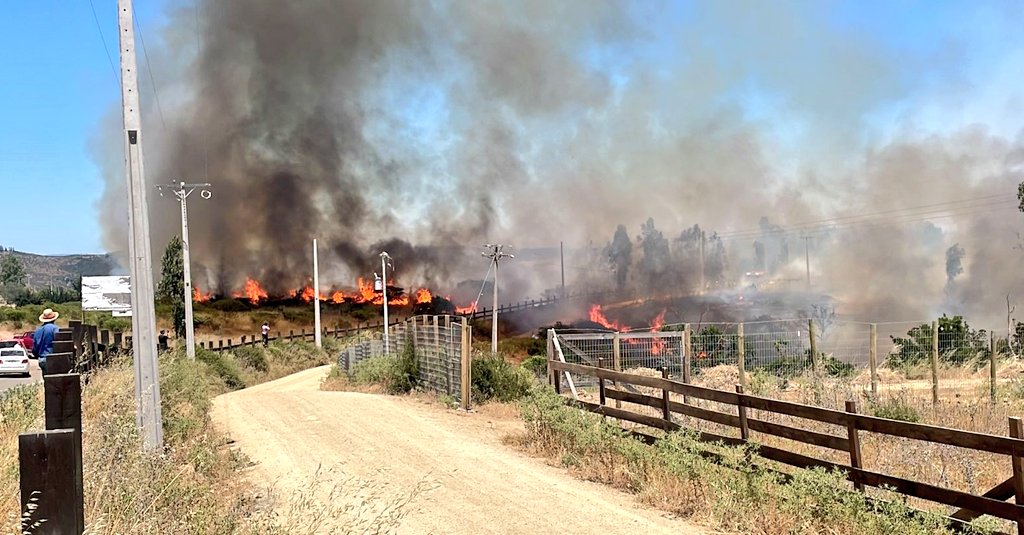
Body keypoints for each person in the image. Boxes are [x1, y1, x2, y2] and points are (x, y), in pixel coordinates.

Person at [32, 308, 60, 374]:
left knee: (46, 378)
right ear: (54, 319)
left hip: (41, 359)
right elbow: (59, 343)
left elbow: (35, 348)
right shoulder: (55, 328)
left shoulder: (38, 330)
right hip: (52, 358)